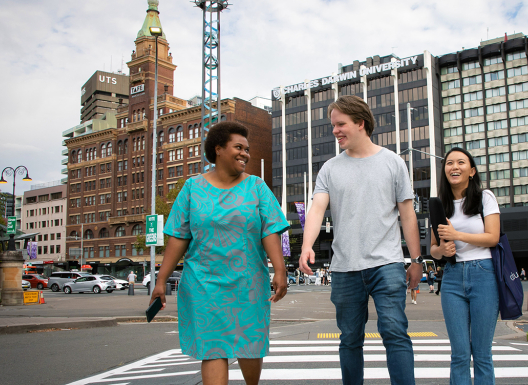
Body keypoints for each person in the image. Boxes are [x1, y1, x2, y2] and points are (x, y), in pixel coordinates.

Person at [150, 121, 289, 385]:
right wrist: (160, 280)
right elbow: (178, 237)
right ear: (218, 149)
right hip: (203, 283)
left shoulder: (257, 187)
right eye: (239, 147)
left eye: (247, 149)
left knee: (249, 345)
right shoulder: (192, 188)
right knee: (212, 348)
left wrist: (279, 270)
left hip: (248, 283)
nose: (245, 154)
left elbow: (270, 230)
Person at [299, 95, 422, 385]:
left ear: (360, 123)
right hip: (345, 268)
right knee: (350, 339)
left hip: (387, 265)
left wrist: (416, 261)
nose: (335, 130)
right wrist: (306, 246)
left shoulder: (393, 162)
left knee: (394, 332)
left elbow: (407, 216)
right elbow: (317, 208)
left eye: (340, 124)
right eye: (333, 125)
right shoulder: (330, 168)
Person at [430, 147, 501, 385]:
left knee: (482, 354)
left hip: (484, 274)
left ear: (471, 171)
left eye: (461, 162)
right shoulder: (438, 205)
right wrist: (442, 250)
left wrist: (457, 235)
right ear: (444, 171)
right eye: (449, 163)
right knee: (459, 354)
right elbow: (433, 249)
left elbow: (493, 237)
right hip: (452, 278)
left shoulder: (485, 198)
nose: (454, 167)